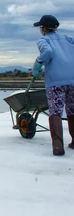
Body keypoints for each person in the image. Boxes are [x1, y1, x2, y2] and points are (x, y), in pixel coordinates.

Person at [31, 15, 74, 156]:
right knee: (72, 110)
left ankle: (57, 146)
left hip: (56, 82)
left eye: (40, 27)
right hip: (72, 80)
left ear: (44, 28)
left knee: (55, 111)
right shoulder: (68, 38)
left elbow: (48, 52)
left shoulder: (44, 40)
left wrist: (38, 64)